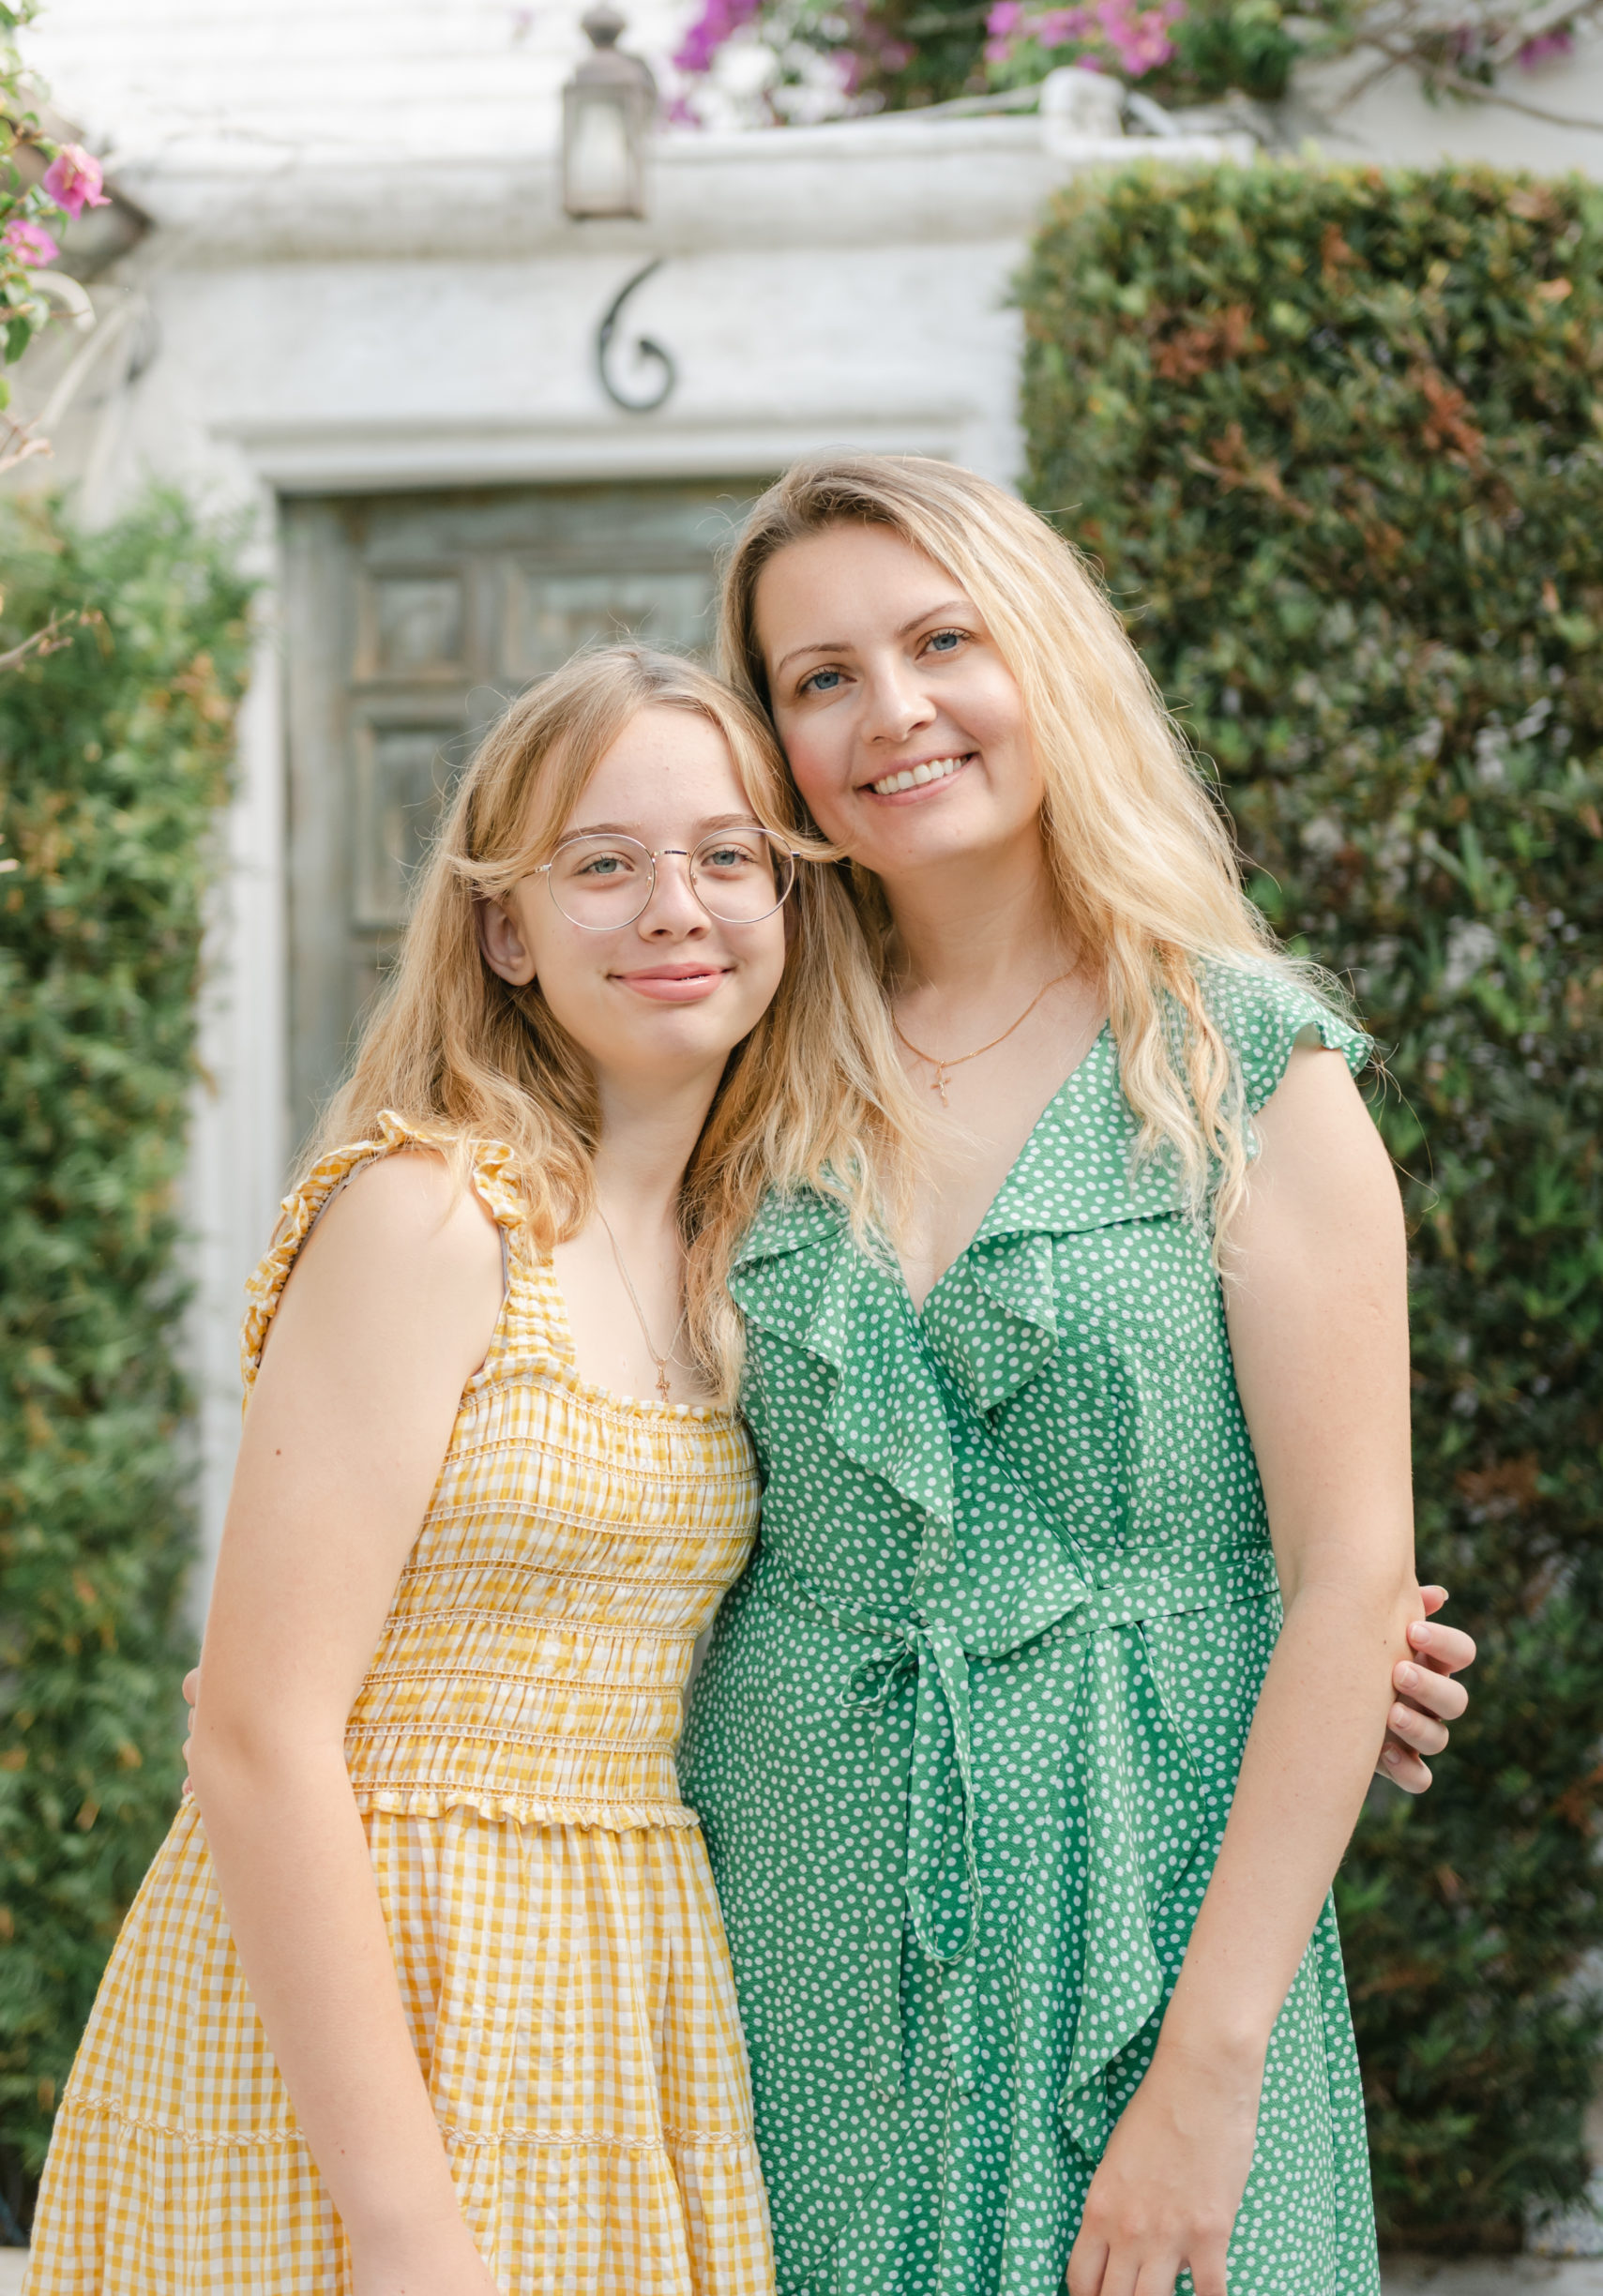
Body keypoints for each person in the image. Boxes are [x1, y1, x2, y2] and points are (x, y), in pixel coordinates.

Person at [23, 647, 924, 2296]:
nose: (676, 907)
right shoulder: (434, 1216)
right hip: (360, 2017)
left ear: (790, 906)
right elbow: (253, 1735)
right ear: (505, 928)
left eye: (729, 857)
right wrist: (405, 2224)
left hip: (619, 1997)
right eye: (604, 864)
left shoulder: (755, 1257)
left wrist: (1317, 1637)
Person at [676, 453, 1476, 2296]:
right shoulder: (740, 1069)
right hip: (794, 1928)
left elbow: (1349, 1573)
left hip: (1157, 1913)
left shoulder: (1243, 1068)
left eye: (942, 639)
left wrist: (1214, 2071)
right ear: (776, 741)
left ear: (1043, 655)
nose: (894, 710)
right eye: (819, 676)